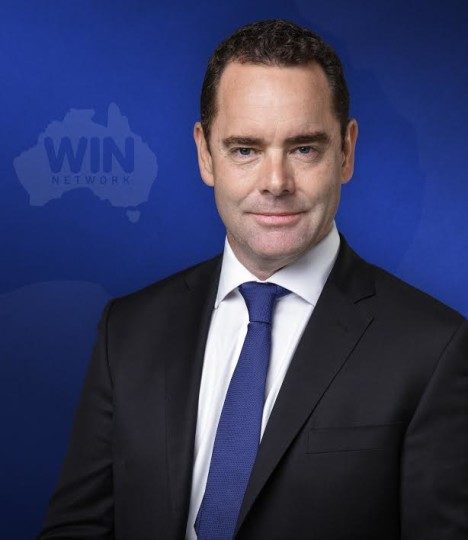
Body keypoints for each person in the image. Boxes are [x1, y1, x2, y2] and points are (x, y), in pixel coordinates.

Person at [38, 19, 468, 540]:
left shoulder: (434, 348)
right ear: (206, 154)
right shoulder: (127, 330)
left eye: (304, 148)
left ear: (346, 151)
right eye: (245, 149)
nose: (275, 183)